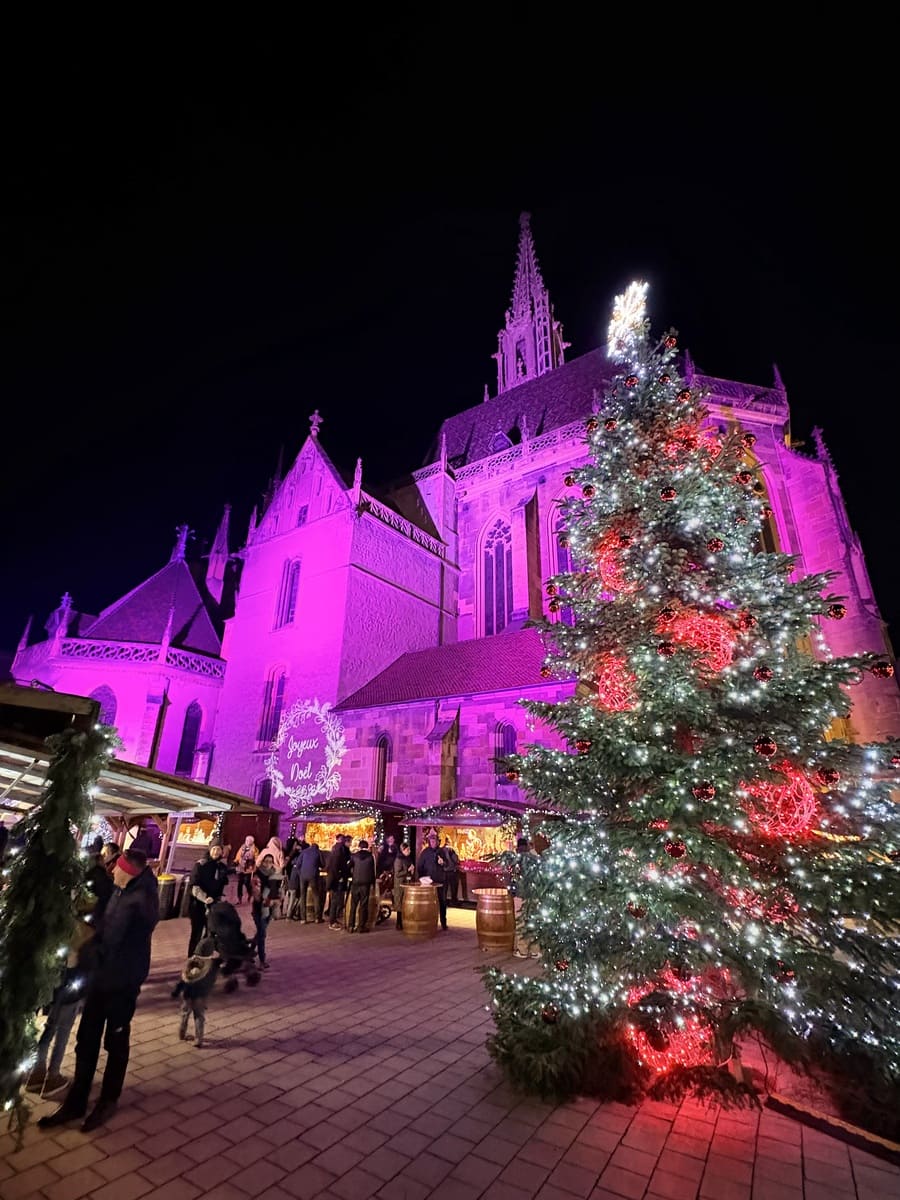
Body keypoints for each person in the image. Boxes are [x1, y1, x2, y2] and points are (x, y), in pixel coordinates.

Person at [38, 844, 159, 1133]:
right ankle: (77, 1100)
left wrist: (91, 951)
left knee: (115, 1040)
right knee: (87, 1038)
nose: (112, 871)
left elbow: (119, 942)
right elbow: (106, 928)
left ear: (128, 872)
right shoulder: (121, 891)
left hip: (122, 984)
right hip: (101, 978)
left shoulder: (141, 901)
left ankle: (108, 1099)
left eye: (117, 868)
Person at [27, 846, 114, 1097]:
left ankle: (36, 1072)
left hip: (55, 976)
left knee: (50, 1025)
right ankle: (52, 1075)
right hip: (73, 978)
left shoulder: (59, 910)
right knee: (63, 1027)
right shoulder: (86, 926)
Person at [171, 936, 220, 1048]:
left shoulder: (191, 963)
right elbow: (211, 981)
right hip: (200, 996)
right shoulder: (211, 966)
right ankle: (198, 1040)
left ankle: (182, 1033)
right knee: (199, 1017)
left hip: (187, 995)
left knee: (184, 1014)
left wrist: (176, 992)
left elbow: (182, 980)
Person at [187, 842, 229, 956]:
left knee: (211, 932)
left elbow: (221, 884)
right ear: (210, 850)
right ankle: (192, 957)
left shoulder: (221, 867)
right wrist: (205, 898)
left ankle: (204, 955)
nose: (216, 852)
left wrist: (218, 900)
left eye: (218, 849)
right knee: (197, 932)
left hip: (213, 905)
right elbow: (194, 886)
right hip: (198, 904)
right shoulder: (201, 865)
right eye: (214, 849)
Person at [512, 836, 541, 959]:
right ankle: (535, 950)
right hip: (534, 895)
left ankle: (522, 950)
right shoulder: (536, 858)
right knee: (533, 921)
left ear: (518, 847)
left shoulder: (518, 859)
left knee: (521, 922)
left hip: (520, 894)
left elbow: (514, 877)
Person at [251, 853, 280, 968]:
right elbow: (256, 894)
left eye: (270, 862)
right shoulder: (257, 875)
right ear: (262, 862)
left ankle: (249, 952)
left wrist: (277, 899)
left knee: (260, 933)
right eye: (266, 861)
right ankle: (262, 960)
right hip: (259, 909)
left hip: (270, 909)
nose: (268, 864)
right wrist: (268, 901)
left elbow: (277, 890)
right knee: (262, 934)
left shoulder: (274, 875)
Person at [416, 831, 448, 931]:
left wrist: (443, 863)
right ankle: (428, 922)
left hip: (440, 881)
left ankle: (443, 922)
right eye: (431, 841)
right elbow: (420, 866)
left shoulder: (442, 852)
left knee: (442, 902)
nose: (433, 843)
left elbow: (447, 864)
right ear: (429, 842)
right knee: (428, 903)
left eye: (435, 841)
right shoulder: (425, 852)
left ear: (437, 842)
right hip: (428, 882)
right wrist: (422, 878)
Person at [347, 839, 376, 933]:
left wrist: (352, 875)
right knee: (363, 905)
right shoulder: (371, 857)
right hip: (366, 884)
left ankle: (351, 926)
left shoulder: (354, 856)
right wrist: (373, 883)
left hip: (355, 882)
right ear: (367, 847)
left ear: (359, 846)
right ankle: (361, 926)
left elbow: (348, 867)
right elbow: (373, 871)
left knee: (353, 904)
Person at [326, 834, 352, 930]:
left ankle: (334, 919)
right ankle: (332, 922)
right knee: (335, 900)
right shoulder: (339, 850)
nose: (351, 844)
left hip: (336, 878)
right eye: (350, 842)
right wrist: (339, 877)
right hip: (336, 879)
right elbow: (336, 865)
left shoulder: (339, 849)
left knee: (336, 900)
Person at [296, 841, 324, 923]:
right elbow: (323, 864)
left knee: (303, 896)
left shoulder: (304, 852)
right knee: (316, 895)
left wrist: (300, 873)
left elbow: (298, 864)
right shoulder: (318, 852)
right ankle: (317, 918)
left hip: (303, 875)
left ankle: (303, 918)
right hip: (313, 876)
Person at [392, 842, 415, 931]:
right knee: (400, 903)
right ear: (403, 850)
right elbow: (397, 873)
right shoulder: (398, 859)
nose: (409, 851)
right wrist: (407, 870)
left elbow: (409, 870)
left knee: (405, 903)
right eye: (407, 849)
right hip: (400, 885)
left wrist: (411, 871)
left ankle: (404, 922)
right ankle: (398, 923)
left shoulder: (408, 859)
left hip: (407, 883)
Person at [234, 835, 257, 905]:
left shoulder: (255, 849)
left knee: (247, 882)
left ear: (252, 842)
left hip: (248, 869)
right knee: (240, 883)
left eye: (250, 841)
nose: (248, 842)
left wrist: (254, 866)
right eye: (247, 840)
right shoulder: (242, 847)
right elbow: (238, 855)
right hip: (240, 867)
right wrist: (235, 861)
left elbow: (257, 859)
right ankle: (239, 898)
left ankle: (250, 893)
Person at [442, 838, 461, 904]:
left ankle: (444, 901)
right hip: (452, 871)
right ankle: (454, 901)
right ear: (449, 842)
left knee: (444, 888)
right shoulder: (451, 850)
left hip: (444, 872)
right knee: (453, 888)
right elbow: (456, 860)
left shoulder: (441, 850)